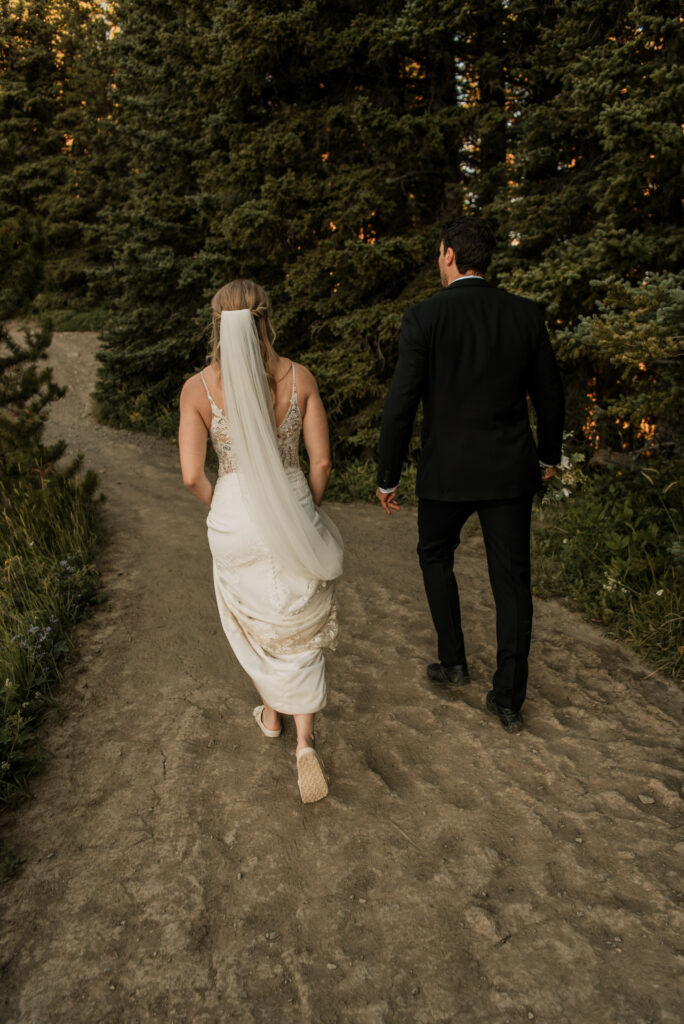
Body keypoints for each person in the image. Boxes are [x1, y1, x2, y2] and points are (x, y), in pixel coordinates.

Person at [376, 217, 565, 733]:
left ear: (450, 255)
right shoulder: (525, 316)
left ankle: (453, 661)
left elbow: (400, 406)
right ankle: (508, 699)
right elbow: (550, 396)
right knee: (512, 581)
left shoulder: (424, 318)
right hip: (509, 471)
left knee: (435, 555)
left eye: (439, 253)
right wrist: (549, 456)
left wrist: (387, 475)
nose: (439, 260)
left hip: (447, 472)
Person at [178, 280, 343, 801]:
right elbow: (320, 462)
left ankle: (271, 714)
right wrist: (301, 508)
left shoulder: (198, 388)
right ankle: (304, 743)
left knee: (254, 622)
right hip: (292, 504)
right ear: (266, 320)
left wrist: (223, 510)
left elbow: (190, 475)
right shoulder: (299, 377)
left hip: (234, 514)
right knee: (295, 619)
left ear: (216, 323)